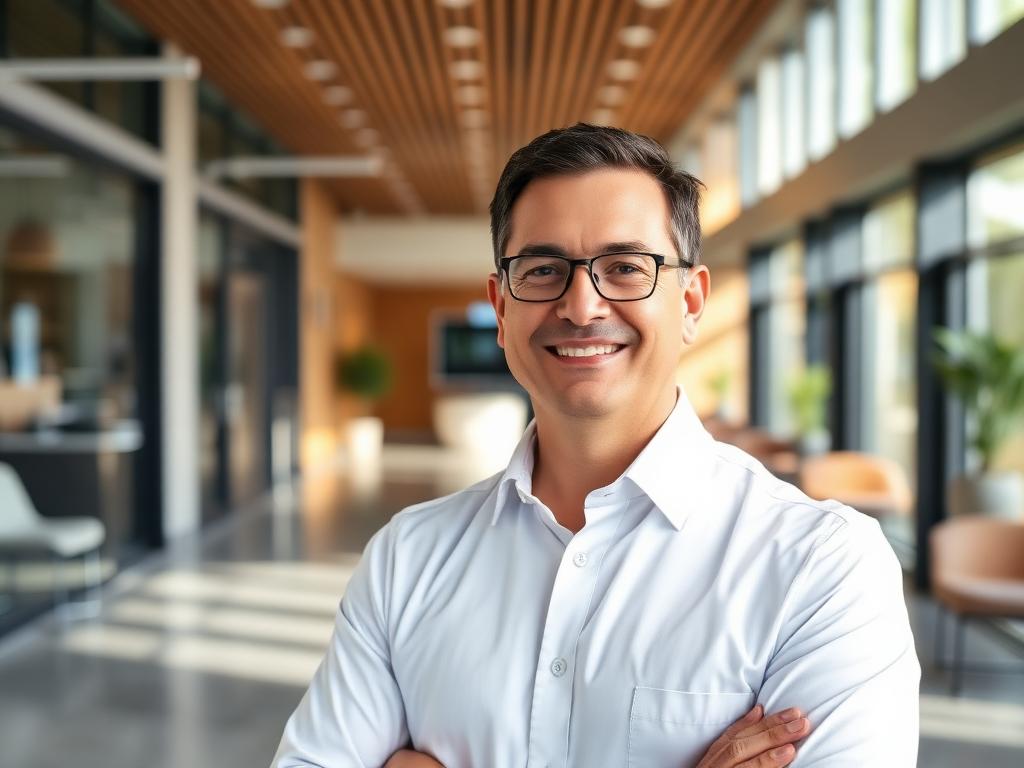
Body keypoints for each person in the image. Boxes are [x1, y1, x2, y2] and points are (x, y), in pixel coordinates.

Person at [271, 124, 920, 767]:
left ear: (691, 302)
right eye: (545, 269)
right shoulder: (405, 561)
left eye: (625, 267)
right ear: (501, 309)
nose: (582, 305)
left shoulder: (823, 569)